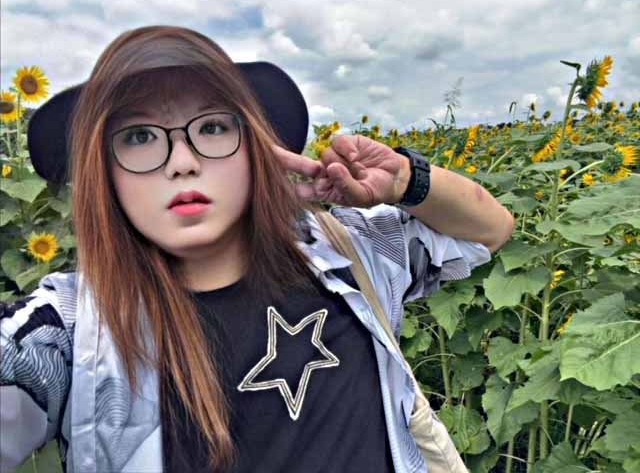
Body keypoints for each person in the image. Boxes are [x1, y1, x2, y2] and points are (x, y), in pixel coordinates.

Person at [0, 25, 514, 472]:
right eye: (138, 136)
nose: (182, 161)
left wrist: (403, 180)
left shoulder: (347, 254)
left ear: (255, 149)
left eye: (212, 127)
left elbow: (487, 231)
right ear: (103, 173)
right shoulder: (74, 331)